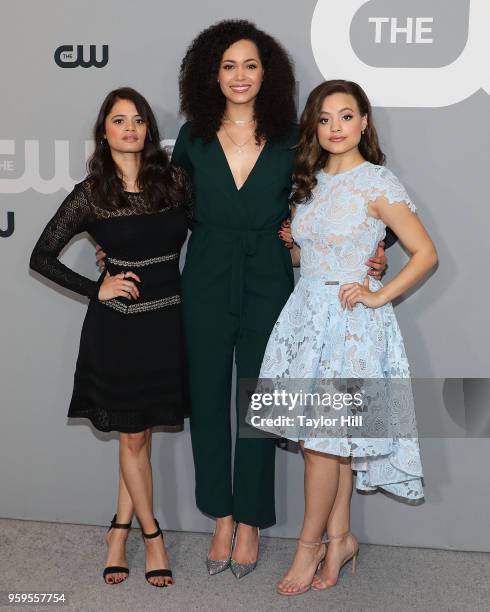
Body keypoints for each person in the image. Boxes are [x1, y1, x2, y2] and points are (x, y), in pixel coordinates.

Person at [171, 20, 392, 578]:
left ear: (266, 72)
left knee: (259, 398)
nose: (239, 76)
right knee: (206, 393)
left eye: (250, 64)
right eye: (228, 66)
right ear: (210, 75)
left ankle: (250, 519)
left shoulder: (297, 137)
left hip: (270, 277)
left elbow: (351, 192)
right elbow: (165, 212)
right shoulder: (192, 139)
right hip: (206, 273)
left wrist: (376, 251)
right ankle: (219, 514)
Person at [248, 79, 438, 595]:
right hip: (306, 318)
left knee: (321, 445)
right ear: (314, 126)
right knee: (333, 444)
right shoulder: (307, 182)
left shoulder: (378, 182)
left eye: (346, 116)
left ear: (364, 122)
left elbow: (425, 253)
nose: (335, 127)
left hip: (352, 327)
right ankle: (341, 539)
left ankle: (307, 549)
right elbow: (308, 256)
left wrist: (377, 293)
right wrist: (294, 246)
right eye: (325, 118)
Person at [30, 87, 192, 588]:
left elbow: (215, 232)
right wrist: (95, 287)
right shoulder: (91, 193)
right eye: (119, 120)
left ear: (148, 130)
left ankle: (117, 530)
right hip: (118, 329)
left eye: (138, 120)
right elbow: (41, 256)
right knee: (133, 434)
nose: (130, 128)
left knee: (137, 434)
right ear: (104, 131)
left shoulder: (176, 182)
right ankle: (151, 534)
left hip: (167, 326)